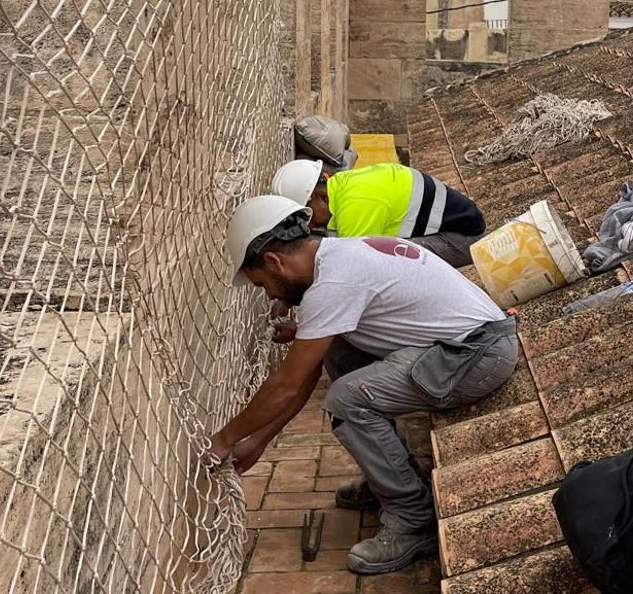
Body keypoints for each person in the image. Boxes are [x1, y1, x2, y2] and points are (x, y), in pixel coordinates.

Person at [209, 195, 518, 575]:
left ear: (274, 261)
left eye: (263, 283)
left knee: (347, 401)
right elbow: (304, 375)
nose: (271, 295)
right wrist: (258, 440)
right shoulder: (337, 254)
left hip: (475, 355)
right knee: (339, 351)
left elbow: (286, 385)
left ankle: (411, 517)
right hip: (468, 343)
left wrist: (223, 440)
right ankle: (388, 475)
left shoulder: (334, 281)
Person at [271, 159, 486, 268]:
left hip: (462, 240)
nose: (309, 225)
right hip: (455, 227)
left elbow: (352, 267)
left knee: (387, 264)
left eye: (308, 216)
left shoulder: (356, 204)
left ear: (321, 197)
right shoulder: (344, 185)